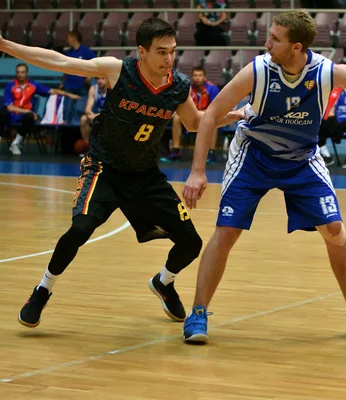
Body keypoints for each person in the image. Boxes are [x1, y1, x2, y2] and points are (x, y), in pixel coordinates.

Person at [180, 9, 346, 343]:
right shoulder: (258, 71)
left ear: (297, 47)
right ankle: (198, 313)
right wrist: (197, 171)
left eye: (275, 38)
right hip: (254, 155)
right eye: (269, 35)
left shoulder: (325, 72)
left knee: (334, 230)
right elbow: (211, 115)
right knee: (226, 231)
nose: (267, 42)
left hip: (301, 159)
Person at [0, 17, 243, 329]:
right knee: (80, 228)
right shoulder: (118, 70)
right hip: (104, 167)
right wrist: (6, 46)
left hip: (144, 175)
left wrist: (231, 116)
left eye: (172, 52)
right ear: (142, 51)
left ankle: (163, 282)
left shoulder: (178, 86)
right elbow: (59, 60)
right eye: (161, 52)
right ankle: (43, 289)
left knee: (191, 243)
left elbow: (195, 123)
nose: (168, 59)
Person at [0, 63, 81, 155]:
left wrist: (69, 94)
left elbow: (52, 91)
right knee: (2, 113)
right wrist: (27, 110)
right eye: (18, 72)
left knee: (30, 116)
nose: (20, 74)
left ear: (26, 73)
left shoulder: (33, 85)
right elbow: (9, 107)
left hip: (24, 116)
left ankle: (16, 143)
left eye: (22, 72)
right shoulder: (10, 86)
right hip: (12, 114)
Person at [163, 66, 220, 162]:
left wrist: (201, 113)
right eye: (195, 75)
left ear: (204, 77)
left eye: (200, 75)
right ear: (192, 77)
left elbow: (215, 108)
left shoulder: (213, 88)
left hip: (207, 115)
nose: (197, 78)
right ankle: (176, 151)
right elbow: (183, 106)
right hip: (192, 115)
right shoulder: (187, 88)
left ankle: (211, 152)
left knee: (213, 119)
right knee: (177, 118)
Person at [60, 30, 96, 123]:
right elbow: (65, 68)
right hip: (69, 84)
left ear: (74, 38)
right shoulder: (68, 52)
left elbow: (95, 64)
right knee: (67, 108)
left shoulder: (86, 51)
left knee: (80, 109)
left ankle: (79, 128)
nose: (67, 40)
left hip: (82, 85)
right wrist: (63, 82)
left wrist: (89, 77)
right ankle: (66, 126)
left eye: (69, 38)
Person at [79, 76, 108, 147]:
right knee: (83, 119)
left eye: (102, 78)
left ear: (108, 80)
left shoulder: (111, 89)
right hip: (98, 115)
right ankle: (88, 146)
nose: (100, 81)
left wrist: (95, 116)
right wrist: (89, 114)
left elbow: (111, 109)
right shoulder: (93, 88)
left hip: (110, 114)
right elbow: (88, 108)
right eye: (98, 79)